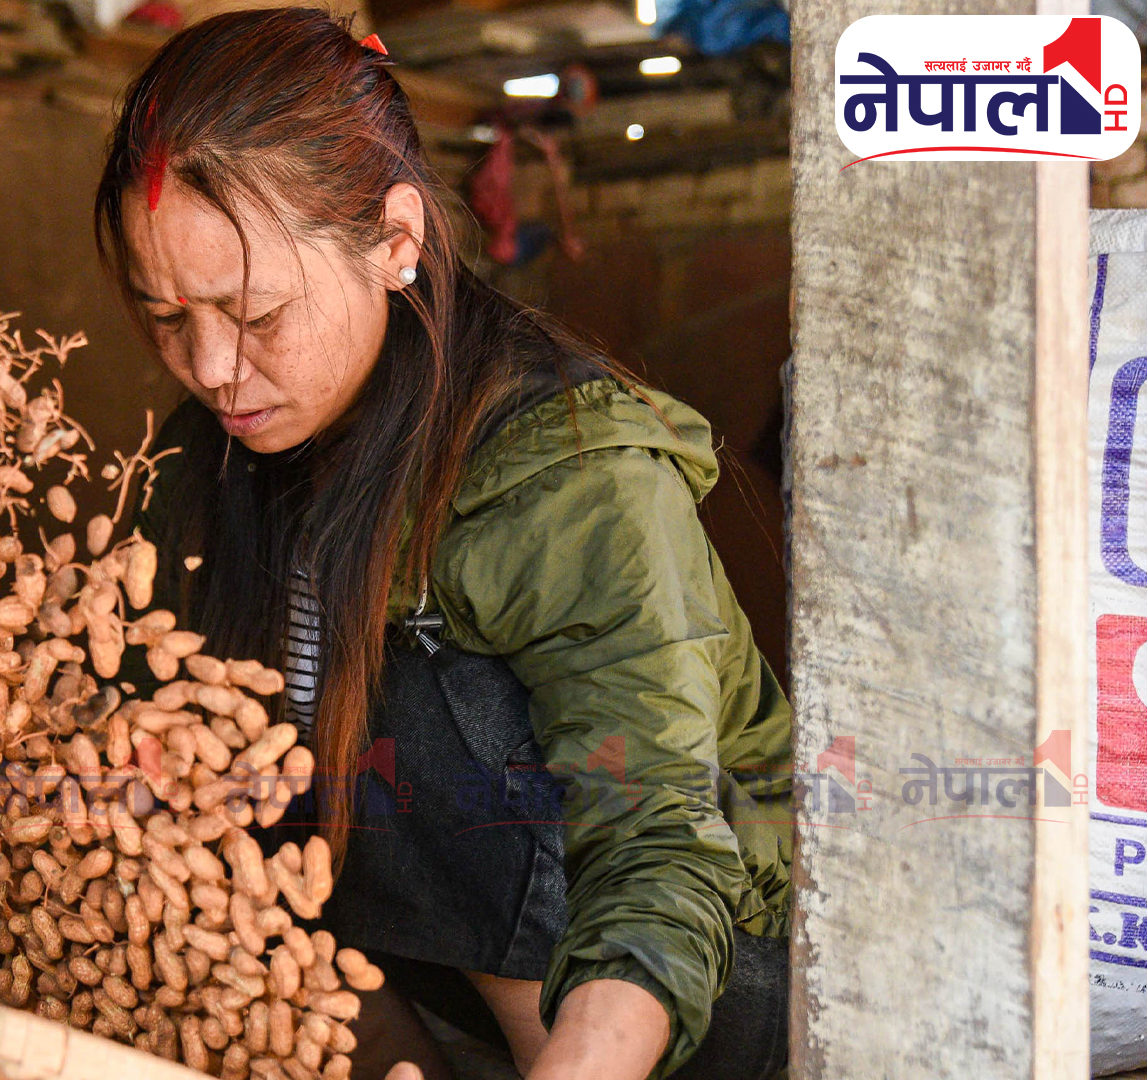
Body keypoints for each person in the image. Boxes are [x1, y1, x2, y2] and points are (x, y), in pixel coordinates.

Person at [91, 8, 794, 1080]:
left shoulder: (564, 469)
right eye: (167, 318)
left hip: (687, 980)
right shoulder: (205, 467)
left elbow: (661, 849)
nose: (214, 367)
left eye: (258, 314)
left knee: (401, 724)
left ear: (396, 240)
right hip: (412, 980)